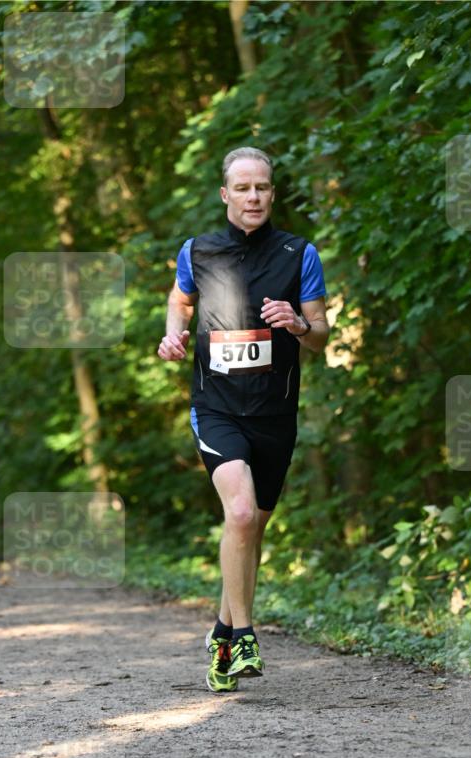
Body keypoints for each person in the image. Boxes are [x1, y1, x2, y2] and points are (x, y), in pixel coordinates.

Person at [158, 147, 330, 693]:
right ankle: (247, 637)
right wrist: (172, 335)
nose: (253, 196)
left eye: (262, 188)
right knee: (238, 513)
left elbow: (323, 334)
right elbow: (179, 302)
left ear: (272, 194)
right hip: (218, 407)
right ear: (225, 194)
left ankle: (222, 632)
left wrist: (299, 326)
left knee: (252, 527)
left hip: (275, 412)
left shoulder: (298, 253)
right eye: (243, 188)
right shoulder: (198, 251)